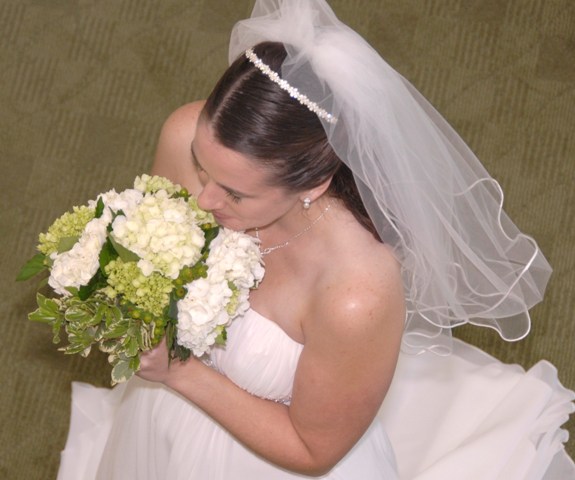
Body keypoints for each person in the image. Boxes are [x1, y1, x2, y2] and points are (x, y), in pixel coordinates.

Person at [56, 1, 575, 479]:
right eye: (199, 163)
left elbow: (312, 451)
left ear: (312, 184)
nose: (204, 200)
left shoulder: (355, 293)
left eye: (235, 195)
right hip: (160, 420)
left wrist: (181, 374)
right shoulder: (183, 135)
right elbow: (152, 263)